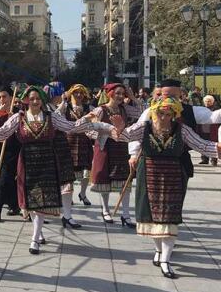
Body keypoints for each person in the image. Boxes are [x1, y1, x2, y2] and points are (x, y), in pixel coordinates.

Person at [109, 97, 221, 278]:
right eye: (161, 113)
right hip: (149, 175)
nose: (165, 117)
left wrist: (218, 147)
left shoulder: (182, 130)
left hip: (173, 177)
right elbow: (125, 136)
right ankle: (159, 251)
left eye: (170, 114)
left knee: (169, 219)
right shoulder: (144, 127)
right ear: (154, 112)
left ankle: (166, 261)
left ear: (175, 115)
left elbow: (201, 144)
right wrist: (119, 128)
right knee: (153, 219)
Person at [0, 86, 106, 254]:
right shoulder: (18, 118)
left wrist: (88, 120)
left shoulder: (51, 117)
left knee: (41, 201)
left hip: (47, 161)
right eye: (31, 99)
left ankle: (34, 239)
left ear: (43, 100)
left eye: (38, 99)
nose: (35, 101)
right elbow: (1, 134)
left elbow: (71, 127)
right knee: (31, 201)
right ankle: (38, 233)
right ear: (26, 100)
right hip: (27, 161)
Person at [89, 83, 143, 226]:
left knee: (125, 180)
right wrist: (105, 133)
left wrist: (133, 98)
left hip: (121, 147)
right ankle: (106, 210)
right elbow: (89, 128)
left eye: (122, 94)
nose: (120, 96)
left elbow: (142, 113)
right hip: (105, 147)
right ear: (110, 94)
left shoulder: (125, 109)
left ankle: (126, 215)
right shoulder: (101, 110)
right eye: (117, 93)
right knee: (104, 179)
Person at [58, 84, 93, 206]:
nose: (78, 95)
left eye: (81, 93)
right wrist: (63, 101)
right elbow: (57, 115)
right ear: (71, 94)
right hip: (69, 141)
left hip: (85, 141)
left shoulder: (88, 107)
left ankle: (83, 193)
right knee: (70, 171)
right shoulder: (66, 107)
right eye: (75, 93)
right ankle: (69, 196)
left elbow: (94, 121)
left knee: (86, 171)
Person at [0, 86, 20, 222]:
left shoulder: (18, 112)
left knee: (7, 176)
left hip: (13, 148)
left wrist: (12, 117)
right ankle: (13, 205)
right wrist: (0, 112)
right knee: (0, 175)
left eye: (4, 97)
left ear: (10, 97)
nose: (2, 99)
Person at [198, 94, 219, 166]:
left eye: (209, 101)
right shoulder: (202, 109)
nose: (208, 102)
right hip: (204, 129)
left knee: (213, 145)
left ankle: (214, 160)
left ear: (213, 102)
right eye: (206, 101)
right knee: (203, 144)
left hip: (213, 130)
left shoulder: (216, 110)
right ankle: (204, 159)